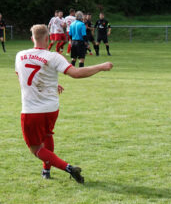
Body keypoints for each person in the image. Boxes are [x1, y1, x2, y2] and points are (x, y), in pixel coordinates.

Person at [15, 24, 113, 183]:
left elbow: (22, 76)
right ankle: (46, 170)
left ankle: (69, 168)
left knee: (36, 149)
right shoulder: (54, 57)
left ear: (32, 38)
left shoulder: (20, 55)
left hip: (31, 110)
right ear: (48, 39)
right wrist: (101, 66)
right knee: (47, 135)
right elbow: (76, 73)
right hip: (51, 108)